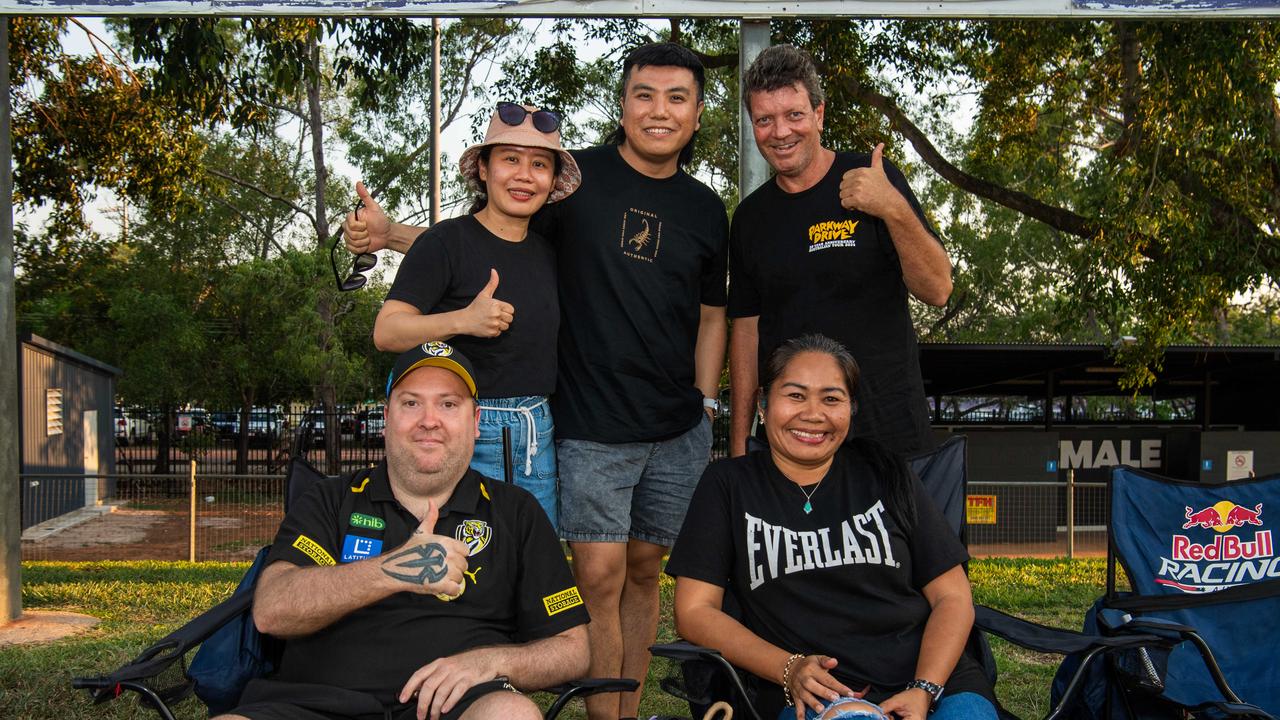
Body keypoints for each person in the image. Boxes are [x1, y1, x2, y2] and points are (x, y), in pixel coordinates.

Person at [344, 43, 729, 720]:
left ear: (697, 113)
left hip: (674, 428)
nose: (659, 110)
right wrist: (393, 234)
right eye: (644, 94)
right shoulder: (577, 190)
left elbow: (712, 312)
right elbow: (485, 235)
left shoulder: (704, 208)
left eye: (676, 98)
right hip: (584, 423)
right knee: (593, 577)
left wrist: (704, 402)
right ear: (623, 104)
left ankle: (621, 710)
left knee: (645, 573)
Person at [215, 341, 590, 720]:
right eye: (411, 403)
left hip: (453, 709)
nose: (429, 419)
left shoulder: (515, 512)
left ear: (475, 422)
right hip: (313, 705)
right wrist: (393, 569)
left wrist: (489, 661)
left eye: (448, 404)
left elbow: (573, 649)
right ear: (387, 417)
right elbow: (272, 610)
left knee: (512, 714)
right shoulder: (329, 499)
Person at [667, 334, 996, 720]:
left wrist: (923, 688)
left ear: (850, 410)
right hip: (810, 693)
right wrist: (788, 668)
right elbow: (694, 610)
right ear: (762, 403)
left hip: (932, 681)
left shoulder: (887, 475)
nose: (813, 414)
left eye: (831, 399)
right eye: (795, 395)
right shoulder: (727, 485)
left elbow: (952, 596)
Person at [728, 44, 953, 459]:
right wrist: (740, 443)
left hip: (888, 437)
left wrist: (891, 208)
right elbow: (745, 333)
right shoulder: (749, 218)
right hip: (794, 447)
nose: (780, 132)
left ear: (818, 114)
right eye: (764, 120)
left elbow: (938, 289)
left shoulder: (873, 179)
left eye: (794, 115)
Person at [371, 102, 581, 530]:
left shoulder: (550, 251)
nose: (524, 175)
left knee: (531, 567)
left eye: (539, 164)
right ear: (483, 170)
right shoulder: (446, 242)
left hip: (537, 433)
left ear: (553, 181)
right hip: (464, 429)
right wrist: (463, 320)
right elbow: (387, 331)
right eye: (509, 160)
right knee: (455, 568)